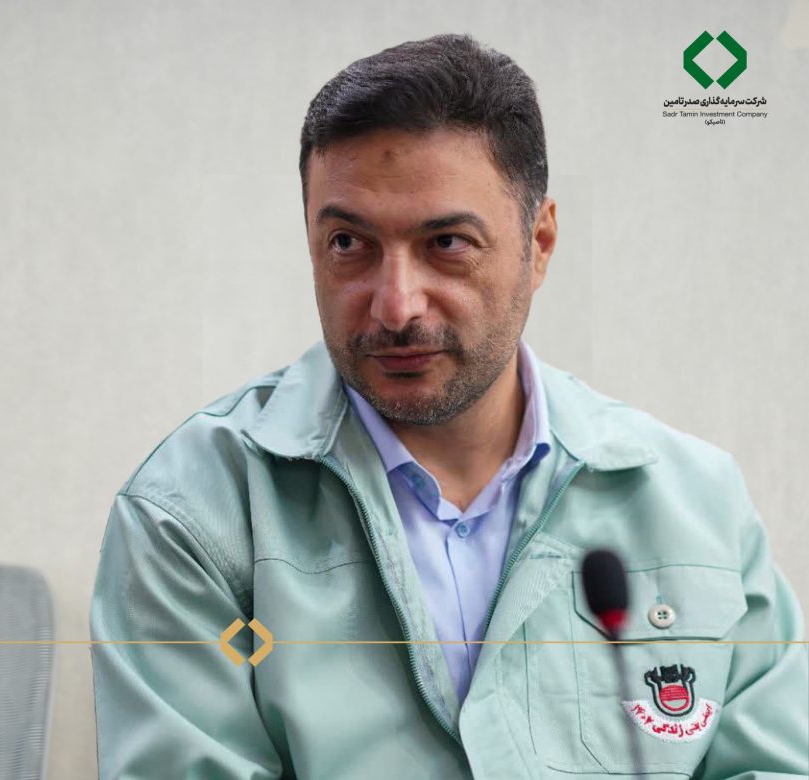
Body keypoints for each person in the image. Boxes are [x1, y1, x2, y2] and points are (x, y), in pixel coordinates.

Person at [88, 34, 808, 778]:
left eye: (447, 243)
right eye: (348, 243)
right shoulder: (192, 511)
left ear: (539, 243)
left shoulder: (696, 501)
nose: (396, 306)